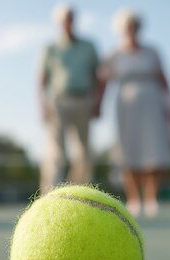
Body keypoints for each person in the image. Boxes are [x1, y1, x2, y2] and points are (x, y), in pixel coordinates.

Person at [98, 9, 170, 218]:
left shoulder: (152, 52)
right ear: (122, 30)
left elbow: (163, 79)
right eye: (127, 27)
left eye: (134, 26)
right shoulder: (113, 55)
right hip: (126, 108)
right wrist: (98, 105)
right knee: (127, 153)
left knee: (154, 151)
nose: (131, 30)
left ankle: (151, 198)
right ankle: (134, 199)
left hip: (151, 105)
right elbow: (103, 83)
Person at [38, 4, 102, 194]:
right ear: (59, 22)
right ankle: (49, 193)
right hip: (59, 101)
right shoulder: (50, 48)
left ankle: (82, 193)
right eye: (64, 18)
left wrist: (98, 101)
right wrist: (42, 105)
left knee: (84, 151)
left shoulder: (89, 46)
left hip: (84, 100)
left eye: (71, 17)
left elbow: (97, 77)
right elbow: (41, 80)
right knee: (56, 150)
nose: (68, 22)